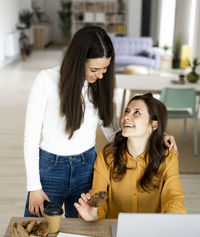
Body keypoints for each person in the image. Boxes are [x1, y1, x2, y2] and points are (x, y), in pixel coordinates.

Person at [24, 26, 177, 218]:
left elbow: (114, 132)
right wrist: (34, 187)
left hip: (86, 167)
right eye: (95, 69)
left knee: (81, 234)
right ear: (78, 60)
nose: (101, 75)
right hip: (49, 168)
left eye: (105, 68)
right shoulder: (46, 80)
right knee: (37, 232)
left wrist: (155, 135)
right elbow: (30, 138)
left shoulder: (99, 86)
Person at [74, 93, 186, 220]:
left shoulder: (167, 156)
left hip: (152, 232)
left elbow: (173, 195)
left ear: (154, 125)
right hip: (114, 231)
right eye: (126, 111)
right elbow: (98, 194)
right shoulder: (106, 156)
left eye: (137, 112)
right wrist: (94, 214)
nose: (127, 116)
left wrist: (171, 217)